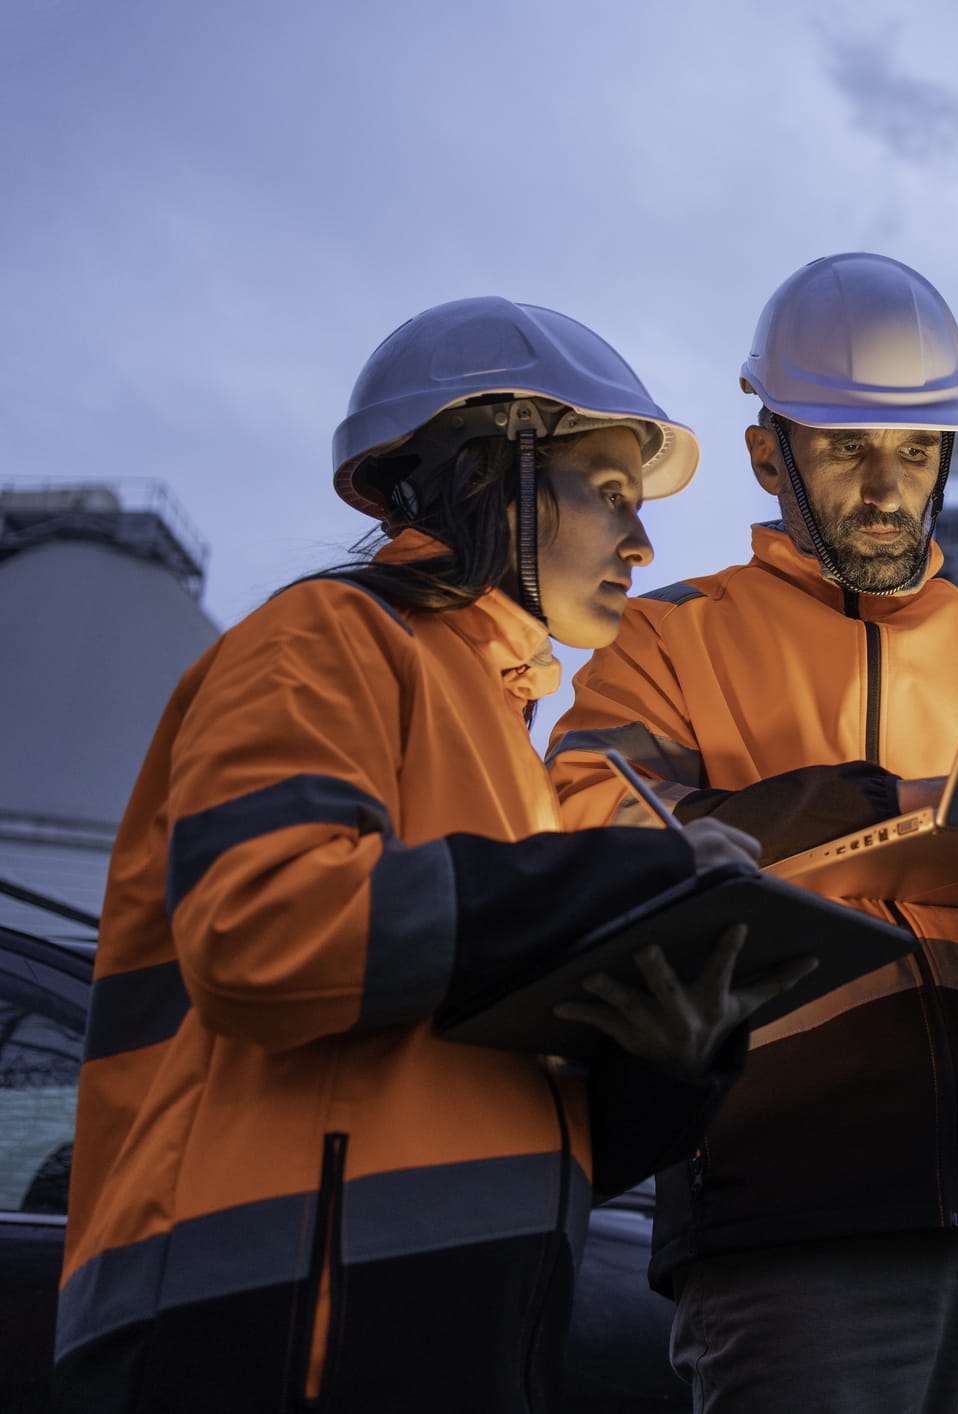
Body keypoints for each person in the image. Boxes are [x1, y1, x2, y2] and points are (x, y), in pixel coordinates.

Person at [53, 298, 808, 1414]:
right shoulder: (321, 641)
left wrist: (672, 1055)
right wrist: (620, 877)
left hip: (450, 1333)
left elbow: (511, 1111)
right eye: (608, 496)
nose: (642, 545)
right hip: (260, 1330)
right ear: (488, 469)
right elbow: (261, 927)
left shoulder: (504, 743)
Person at [547, 253, 958, 1413]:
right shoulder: (665, 644)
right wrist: (820, 809)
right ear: (769, 454)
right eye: (847, 446)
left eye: (915, 451)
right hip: (798, 1204)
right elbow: (591, 848)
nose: (885, 486)